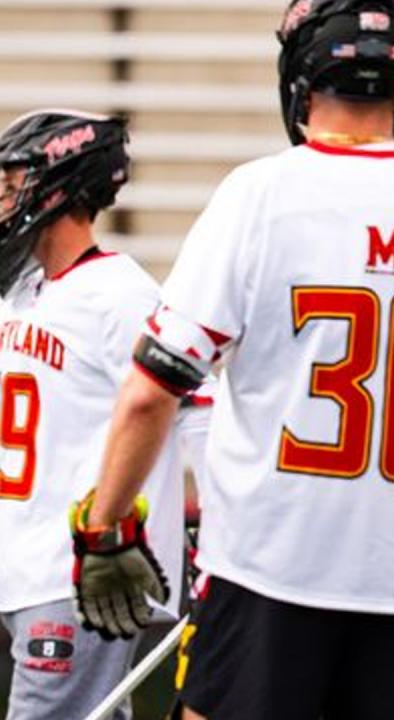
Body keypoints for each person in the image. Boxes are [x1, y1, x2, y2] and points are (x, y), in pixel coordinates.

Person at [67, 2, 394, 719]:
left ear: (301, 74)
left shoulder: (261, 196)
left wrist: (103, 528)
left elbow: (153, 392)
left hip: (269, 579)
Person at [0, 110, 186, 720]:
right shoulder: (23, 291)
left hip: (74, 575)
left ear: (58, 186)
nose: (3, 197)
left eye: (13, 181)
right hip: (23, 564)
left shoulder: (119, 294)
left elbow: (194, 409)